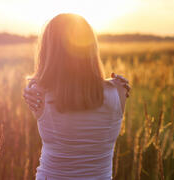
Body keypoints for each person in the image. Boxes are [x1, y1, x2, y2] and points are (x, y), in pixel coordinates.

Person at [23, 13, 130, 180]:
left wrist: (32, 85)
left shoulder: (37, 92)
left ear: (49, 50)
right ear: (91, 46)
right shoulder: (120, 90)